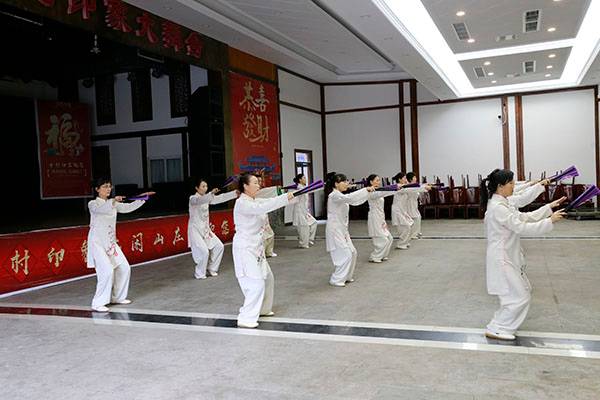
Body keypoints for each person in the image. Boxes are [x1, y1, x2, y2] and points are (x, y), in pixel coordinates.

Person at [481, 169, 565, 340]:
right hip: (502, 258)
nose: (514, 186)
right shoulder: (498, 208)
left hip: (507, 256)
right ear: (500, 186)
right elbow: (521, 227)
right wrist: (549, 221)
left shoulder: (503, 204)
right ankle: (499, 328)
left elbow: (523, 218)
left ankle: (497, 326)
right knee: (519, 296)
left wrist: (548, 208)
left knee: (515, 294)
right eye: (511, 183)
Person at [233, 172, 297, 328]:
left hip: (256, 247)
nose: (258, 185)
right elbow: (263, 207)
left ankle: (263, 309)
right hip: (245, 248)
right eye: (255, 182)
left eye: (258, 182)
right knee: (255, 283)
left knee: (268, 278)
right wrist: (284, 198)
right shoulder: (242, 203)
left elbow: (269, 201)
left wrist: (290, 196)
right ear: (245, 186)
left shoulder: (255, 200)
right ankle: (245, 318)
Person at [87, 178, 154, 312]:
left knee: (124, 268)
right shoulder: (93, 204)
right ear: (97, 189)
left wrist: (142, 198)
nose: (108, 189)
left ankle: (117, 297)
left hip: (110, 243)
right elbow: (102, 209)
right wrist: (113, 201)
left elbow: (128, 208)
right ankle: (98, 302)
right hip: (97, 243)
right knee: (106, 271)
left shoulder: (113, 204)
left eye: (109, 186)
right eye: (105, 186)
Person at [325, 172, 374, 286]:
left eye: (347, 181)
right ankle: (336, 279)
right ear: (336, 184)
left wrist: (366, 193)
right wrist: (365, 190)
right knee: (345, 254)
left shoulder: (340, 195)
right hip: (335, 229)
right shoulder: (334, 195)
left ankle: (346, 276)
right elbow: (350, 198)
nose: (346, 183)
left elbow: (355, 201)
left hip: (342, 229)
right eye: (344, 181)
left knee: (353, 252)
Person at [188, 178, 238, 279]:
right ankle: (199, 273)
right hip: (195, 230)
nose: (205, 188)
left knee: (219, 246)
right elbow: (199, 200)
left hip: (206, 230)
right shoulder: (193, 198)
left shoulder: (208, 197)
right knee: (204, 251)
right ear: (197, 188)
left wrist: (235, 193)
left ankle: (212, 268)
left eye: (206, 186)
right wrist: (210, 194)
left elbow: (221, 198)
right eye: (203, 186)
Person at [365, 174, 398, 263]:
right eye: (376, 180)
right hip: (374, 218)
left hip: (380, 217)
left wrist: (395, 189)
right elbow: (382, 193)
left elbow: (384, 192)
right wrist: (394, 187)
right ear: (371, 182)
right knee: (382, 239)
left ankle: (383, 255)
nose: (378, 182)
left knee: (390, 238)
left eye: (379, 180)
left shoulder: (378, 191)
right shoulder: (371, 192)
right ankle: (375, 256)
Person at [292, 173, 318, 248]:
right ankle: (303, 244)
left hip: (305, 211)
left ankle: (309, 239)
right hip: (299, 211)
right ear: (300, 180)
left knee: (314, 223)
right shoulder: (299, 188)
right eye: (304, 178)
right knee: (303, 227)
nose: (305, 179)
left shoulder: (304, 187)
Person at [405, 172, 431, 239]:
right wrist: (425, 187)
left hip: (414, 204)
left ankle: (416, 232)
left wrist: (425, 185)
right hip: (409, 204)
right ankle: (412, 234)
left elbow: (419, 186)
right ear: (410, 179)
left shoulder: (414, 185)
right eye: (414, 177)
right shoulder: (409, 186)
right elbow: (418, 188)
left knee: (418, 217)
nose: (416, 178)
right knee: (415, 218)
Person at [391, 172, 413, 250]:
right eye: (404, 178)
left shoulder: (404, 187)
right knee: (405, 227)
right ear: (400, 179)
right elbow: (411, 189)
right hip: (397, 211)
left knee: (408, 226)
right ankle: (401, 244)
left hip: (402, 210)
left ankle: (405, 242)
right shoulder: (399, 187)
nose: (406, 180)